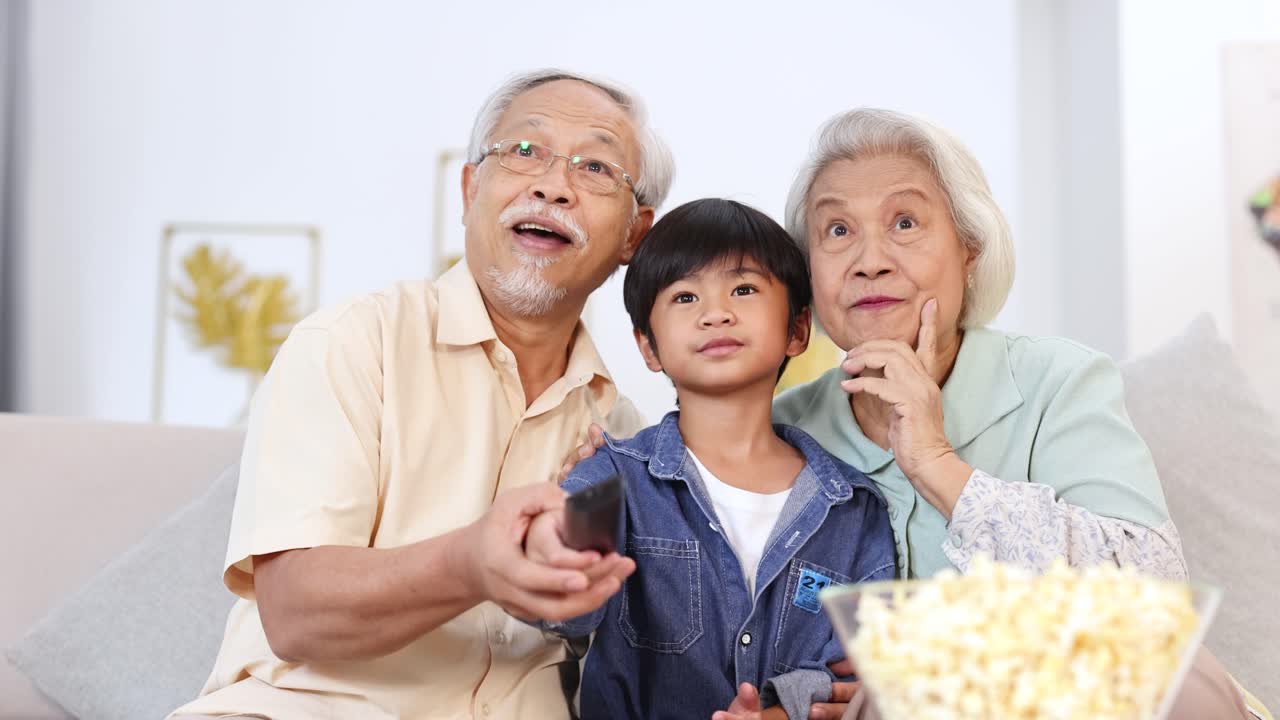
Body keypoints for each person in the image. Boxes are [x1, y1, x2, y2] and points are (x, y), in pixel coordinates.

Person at [169, 68, 673, 720]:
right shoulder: (354, 342)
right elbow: (294, 611)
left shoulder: (623, 432)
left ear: (635, 235)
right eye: (524, 151)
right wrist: (473, 563)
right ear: (469, 189)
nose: (553, 185)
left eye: (597, 168)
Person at [772, 107, 1267, 720]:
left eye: (905, 222)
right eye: (837, 231)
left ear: (969, 250)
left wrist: (934, 461)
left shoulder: (1058, 381)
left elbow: (1151, 594)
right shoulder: (784, 429)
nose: (869, 259)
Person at [523, 198, 896, 720]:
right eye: (684, 296)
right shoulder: (611, 476)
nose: (715, 312)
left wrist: (782, 712)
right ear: (648, 347)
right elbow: (557, 601)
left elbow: (865, 677)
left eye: (744, 290)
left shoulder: (855, 509)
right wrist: (549, 556)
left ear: (797, 329)